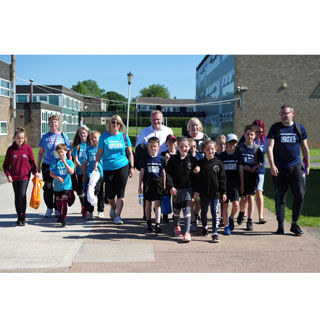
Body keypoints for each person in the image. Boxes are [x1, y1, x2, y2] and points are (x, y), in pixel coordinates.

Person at [267, 105, 310, 236]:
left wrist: (306, 164)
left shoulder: (299, 127)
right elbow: (269, 147)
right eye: (282, 114)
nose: (284, 116)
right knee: (280, 197)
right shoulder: (275, 128)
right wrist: (272, 165)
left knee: (300, 194)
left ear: (293, 114)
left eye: (286, 113)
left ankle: (294, 224)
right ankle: (280, 225)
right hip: (280, 168)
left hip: (296, 167)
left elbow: (304, 146)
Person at [94, 115, 134, 225]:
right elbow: (99, 153)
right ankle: (113, 207)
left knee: (121, 192)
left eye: (118, 123)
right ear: (110, 124)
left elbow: (130, 153)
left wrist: (131, 167)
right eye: (113, 122)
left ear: (120, 125)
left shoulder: (124, 137)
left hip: (123, 166)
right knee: (110, 194)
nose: (115, 124)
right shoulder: (104, 137)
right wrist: (96, 164)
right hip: (108, 167)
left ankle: (118, 216)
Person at [3, 127, 39, 226]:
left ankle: (23, 216)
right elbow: (5, 165)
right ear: (14, 138)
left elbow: (32, 163)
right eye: (18, 138)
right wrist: (8, 175)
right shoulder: (11, 150)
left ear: (25, 138)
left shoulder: (28, 148)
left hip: (25, 177)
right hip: (14, 177)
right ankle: (19, 216)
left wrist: (34, 172)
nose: (20, 140)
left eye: (22, 138)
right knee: (17, 196)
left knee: (22, 194)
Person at [37, 115, 71, 218]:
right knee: (47, 187)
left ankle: (57, 208)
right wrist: (38, 165)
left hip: (59, 164)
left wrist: (69, 163)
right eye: (51, 122)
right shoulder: (45, 137)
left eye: (55, 122)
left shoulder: (63, 136)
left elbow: (68, 151)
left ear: (58, 124)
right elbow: (40, 152)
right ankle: (49, 207)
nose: (53, 124)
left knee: (58, 187)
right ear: (49, 124)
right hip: (47, 164)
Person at [194, 140, 227, 243]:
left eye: (212, 149)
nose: (210, 151)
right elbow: (197, 180)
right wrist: (196, 191)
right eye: (208, 149)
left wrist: (224, 192)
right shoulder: (200, 163)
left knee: (214, 212)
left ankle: (215, 233)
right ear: (204, 150)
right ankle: (204, 226)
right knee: (204, 211)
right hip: (203, 193)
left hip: (215, 193)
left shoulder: (218, 163)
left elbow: (222, 179)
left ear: (215, 149)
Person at [166, 137, 198, 242]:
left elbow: (196, 176)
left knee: (187, 211)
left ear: (189, 147)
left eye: (186, 146)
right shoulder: (173, 159)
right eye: (181, 146)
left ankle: (187, 232)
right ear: (177, 147)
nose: (183, 148)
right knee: (176, 210)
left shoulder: (193, 160)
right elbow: (168, 174)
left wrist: (195, 191)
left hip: (188, 189)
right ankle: (176, 226)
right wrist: (171, 186)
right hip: (176, 189)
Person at [237, 125, 264, 231]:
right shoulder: (240, 148)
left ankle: (249, 220)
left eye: (252, 134)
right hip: (242, 176)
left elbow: (260, 162)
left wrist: (255, 167)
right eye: (248, 134)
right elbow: (237, 162)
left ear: (255, 136)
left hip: (252, 176)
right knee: (243, 199)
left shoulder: (257, 149)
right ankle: (241, 212)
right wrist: (244, 167)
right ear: (244, 135)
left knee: (251, 198)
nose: (250, 136)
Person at [138, 137, 166, 234]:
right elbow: (141, 173)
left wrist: (164, 185)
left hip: (158, 183)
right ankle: (148, 222)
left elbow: (163, 173)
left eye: (155, 146)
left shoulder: (161, 159)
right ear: (148, 147)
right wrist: (139, 186)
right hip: (148, 183)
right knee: (148, 203)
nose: (153, 148)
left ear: (158, 147)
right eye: (151, 146)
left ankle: (157, 224)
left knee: (157, 204)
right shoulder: (145, 158)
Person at [219, 134, 243, 235]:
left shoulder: (238, 155)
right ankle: (226, 226)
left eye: (234, 143)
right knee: (224, 206)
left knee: (236, 204)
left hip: (235, 184)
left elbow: (241, 170)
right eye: (230, 143)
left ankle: (231, 217)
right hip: (224, 185)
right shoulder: (222, 156)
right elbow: (219, 172)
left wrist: (242, 184)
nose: (232, 144)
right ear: (226, 144)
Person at [49, 144, 75, 227]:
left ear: (66, 152)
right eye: (59, 152)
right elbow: (51, 173)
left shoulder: (69, 162)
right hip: (57, 186)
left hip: (66, 186)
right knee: (58, 203)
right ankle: (60, 215)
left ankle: (63, 219)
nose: (61, 154)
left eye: (62, 152)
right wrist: (57, 178)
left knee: (64, 202)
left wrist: (64, 161)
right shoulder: (55, 161)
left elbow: (72, 172)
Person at [82, 131, 104, 220]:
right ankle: (90, 211)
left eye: (95, 137)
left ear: (99, 138)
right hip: (90, 174)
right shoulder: (88, 149)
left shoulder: (102, 149)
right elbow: (86, 162)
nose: (93, 139)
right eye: (92, 138)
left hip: (100, 174)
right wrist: (84, 174)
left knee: (100, 193)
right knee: (89, 192)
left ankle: (100, 210)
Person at [72, 125, 90, 218]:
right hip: (80, 171)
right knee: (81, 190)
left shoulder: (89, 144)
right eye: (81, 133)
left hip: (88, 170)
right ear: (78, 134)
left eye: (84, 133)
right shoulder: (77, 146)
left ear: (87, 134)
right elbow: (76, 159)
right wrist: (81, 166)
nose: (83, 134)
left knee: (88, 190)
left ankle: (88, 207)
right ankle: (83, 206)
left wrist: (86, 167)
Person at [160, 134, 177, 222]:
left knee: (175, 198)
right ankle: (165, 215)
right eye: (169, 142)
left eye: (173, 141)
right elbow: (162, 168)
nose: (171, 143)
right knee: (166, 197)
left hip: (176, 179)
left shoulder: (178, 154)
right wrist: (166, 161)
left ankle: (175, 215)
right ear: (166, 143)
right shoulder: (163, 154)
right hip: (166, 179)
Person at [189, 138, 203, 231]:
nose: (192, 148)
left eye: (194, 146)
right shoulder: (186, 157)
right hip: (189, 183)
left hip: (198, 184)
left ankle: (196, 213)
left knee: (198, 202)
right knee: (192, 201)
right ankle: (193, 221)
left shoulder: (200, 156)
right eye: (190, 147)